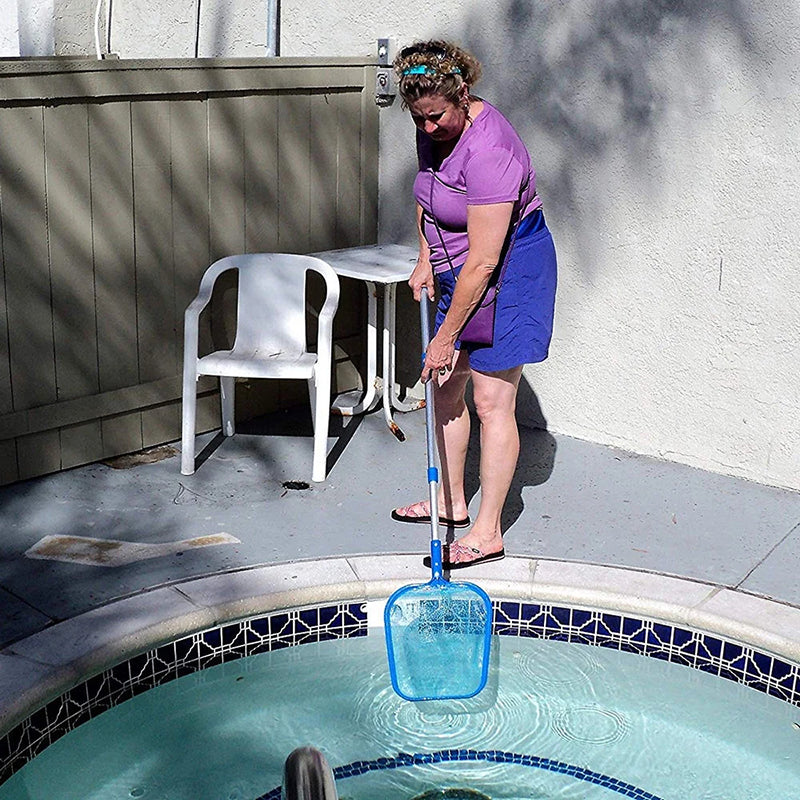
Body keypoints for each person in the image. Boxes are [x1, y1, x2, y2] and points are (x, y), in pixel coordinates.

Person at [389, 40, 557, 569]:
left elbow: (485, 262)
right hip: (459, 270)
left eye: (437, 116)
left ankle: (486, 532)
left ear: (463, 93)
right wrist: (423, 258)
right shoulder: (433, 128)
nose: (429, 128)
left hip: (508, 272)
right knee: (444, 391)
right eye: (419, 119)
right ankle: (450, 501)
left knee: (490, 401)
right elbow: (428, 199)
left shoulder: (490, 151)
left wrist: (444, 337)